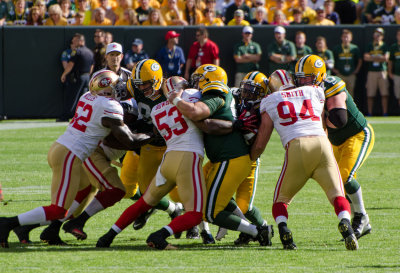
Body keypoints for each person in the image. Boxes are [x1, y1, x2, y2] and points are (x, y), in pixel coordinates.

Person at [0, 70, 152, 248]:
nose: (120, 89)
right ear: (107, 89)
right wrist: (153, 133)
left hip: (60, 148)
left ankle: (34, 229)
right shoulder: (110, 106)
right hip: (70, 155)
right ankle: (7, 223)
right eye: (116, 86)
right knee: (58, 209)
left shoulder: (87, 96)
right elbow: (130, 140)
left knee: (82, 192)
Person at [250, 64, 358, 251]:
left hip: (297, 147)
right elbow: (322, 120)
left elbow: (261, 141)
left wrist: (251, 157)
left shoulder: (270, 100)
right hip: (322, 144)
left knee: (280, 200)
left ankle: (284, 230)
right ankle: (346, 225)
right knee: (337, 195)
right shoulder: (313, 90)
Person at [167, 64, 274, 247]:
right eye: (246, 89)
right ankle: (247, 229)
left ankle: (259, 229)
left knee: (238, 206)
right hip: (223, 158)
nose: (247, 94)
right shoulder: (232, 95)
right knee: (207, 196)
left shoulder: (261, 110)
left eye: (253, 91)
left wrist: (180, 104)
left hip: (244, 158)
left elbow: (254, 142)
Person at [97, 78, 206, 249]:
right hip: (188, 157)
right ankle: (160, 235)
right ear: (181, 88)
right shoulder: (192, 95)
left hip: (168, 160)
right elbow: (200, 111)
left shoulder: (156, 110)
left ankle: (108, 236)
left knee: (142, 203)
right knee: (196, 214)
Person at [322, 69, 375, 241]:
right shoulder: (307, 89)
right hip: (336, 141)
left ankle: (361, 216)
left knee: (345, 176)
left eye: (307, 77)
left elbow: (339, 119)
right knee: (336, 181)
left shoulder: (331, 85)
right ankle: (360, 221)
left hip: (357, 134)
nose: (304, 81)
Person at [58, 33, 94, 122]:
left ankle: (65, 116)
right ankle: (83, 117)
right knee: (84, 98)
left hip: (78, 77)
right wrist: (88, 74)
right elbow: (92, 66)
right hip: (87, 77)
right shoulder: (90, 52)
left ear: (80, 41)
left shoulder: (77, 51)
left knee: (72, 97)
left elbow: (70, 64)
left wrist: (64, 74)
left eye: (75, 41)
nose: (73, 43)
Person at [363, 27, 389, 116]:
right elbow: (366, 57)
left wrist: (373, 57)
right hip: (372, 71)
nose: (377, 36)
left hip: (382, 71)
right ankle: (370, 112)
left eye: (379, 34)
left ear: (382, 36)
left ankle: (385, 112)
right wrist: (379, 57)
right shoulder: (370, 45)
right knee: (370, 94)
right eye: (376, 34)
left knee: (384, 93)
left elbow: (386, 58)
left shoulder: (384, 45)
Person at [332, 29, 362, 98]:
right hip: (340, 74)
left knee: (350, 93)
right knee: (339, 92)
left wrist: (357, 70)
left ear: (351, 38)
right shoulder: (337, 48)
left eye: (347, 37)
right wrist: (334, 70)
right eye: (344, 37)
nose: (345, 39)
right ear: (341, 38)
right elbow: (332, 60)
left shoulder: (354, 48)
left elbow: (359, 60)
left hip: (351, 74)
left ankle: (349, 108)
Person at [388, 28, 400, 109]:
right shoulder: (394, 47)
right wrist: (390, 72)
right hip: (397, 74)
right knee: (399, 95)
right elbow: (390, 61)